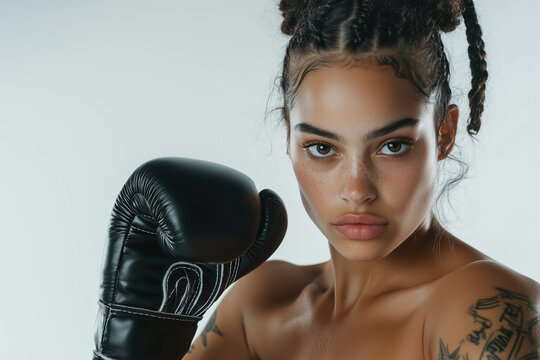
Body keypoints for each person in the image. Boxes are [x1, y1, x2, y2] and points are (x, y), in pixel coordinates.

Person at [184, 0, 540, 359]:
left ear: (444, 133)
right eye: (322, 148)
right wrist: (139, 327)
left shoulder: (483, 307)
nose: (356, 191)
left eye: (393, 145)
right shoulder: (261, 301)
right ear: (289, 134)